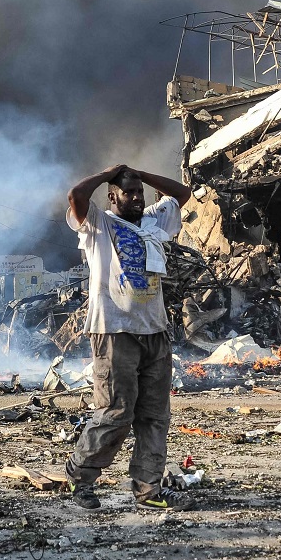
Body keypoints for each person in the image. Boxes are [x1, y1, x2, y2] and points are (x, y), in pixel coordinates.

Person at [64, 164, 196, 511]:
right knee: (116, 412)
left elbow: (182, 194)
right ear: (112, 196)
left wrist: (140, 173)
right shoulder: (98, 225)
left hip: (154, 329)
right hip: (114, 330)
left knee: (154, 415)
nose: (137, 198)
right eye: (128, 192)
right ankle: (81, 478)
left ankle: (148, 489)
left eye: (139, 192)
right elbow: (76, 195)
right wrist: (111, 171)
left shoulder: (154, 221)